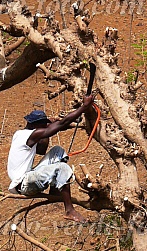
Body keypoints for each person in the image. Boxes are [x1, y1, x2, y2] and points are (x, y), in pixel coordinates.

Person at [7, 95, 95, 223]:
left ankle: (55, 189)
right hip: (24, 184)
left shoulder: (20, 134)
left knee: (57, 151)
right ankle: (69, 210)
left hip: (27, 178)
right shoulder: (29, 135)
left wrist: (48, 128)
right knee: (62, 168)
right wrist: (84, 106)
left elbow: (42, 150)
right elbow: (62, 123)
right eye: (43, 126)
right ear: (36, 126)